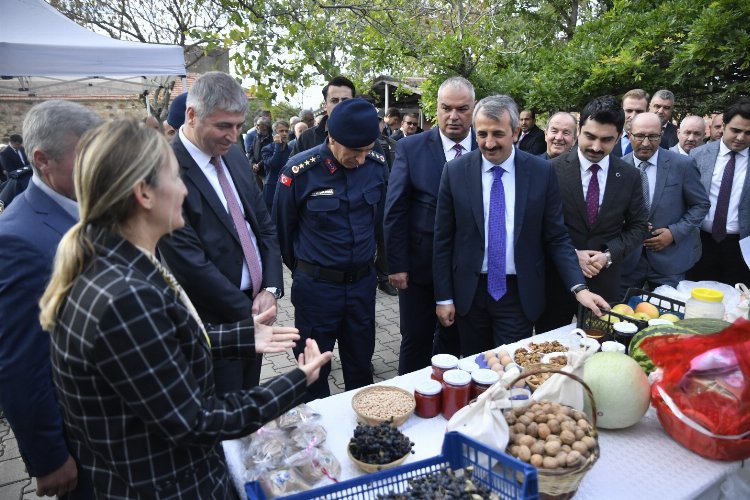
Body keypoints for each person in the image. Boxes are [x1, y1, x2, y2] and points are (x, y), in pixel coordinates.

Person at [38, 118, 331, 499]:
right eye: (176, 178)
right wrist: (296, 381)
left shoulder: (118, 262)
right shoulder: (126, 296)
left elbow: (158, 349)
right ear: (144, 193)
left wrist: (241, 336)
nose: (185, 190)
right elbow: (195, 420)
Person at [432, 95, 608, 355]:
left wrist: (579, 288)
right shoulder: (455, 172)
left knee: (510, 369)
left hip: (517, 294)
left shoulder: (541, 172)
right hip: (470, 293)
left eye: (498, 134)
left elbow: (556, 237)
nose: (489, 143)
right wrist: (444, 298)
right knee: (475, 366)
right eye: (482, 134)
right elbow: (443, 239)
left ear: (515, 132)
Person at [158, 71, 285, 395]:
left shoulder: (234, 156)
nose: (233, 136)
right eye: (223, 126)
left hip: (256, 309)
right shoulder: (165, 170)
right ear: (191, 115)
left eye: (239, 126)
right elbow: (190, 265)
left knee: (246, 400)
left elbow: (264, 227)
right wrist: (249, 313)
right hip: (211, 322)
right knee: (223, 415)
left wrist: (269, 289)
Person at [0, 100, 101, 499]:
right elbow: (20, 363)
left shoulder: (90, 206)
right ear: (43, 160)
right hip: (83, 443)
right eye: (88, 155)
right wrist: (48, 458)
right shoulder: (17, 241)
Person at [274, 98, 386, 400]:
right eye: (354, 151)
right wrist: (308, 271)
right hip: (317, 290)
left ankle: (363, 435)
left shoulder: (376, 166)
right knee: (313, 372)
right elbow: (283, 233)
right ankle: (317, 440)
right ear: (332, 138)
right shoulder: (299, 172)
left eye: (366, 150)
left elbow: (379, 223)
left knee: (361, 366)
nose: (361, 159)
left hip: (361, 287)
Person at [384, 76, 477, 372]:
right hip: (419, 271)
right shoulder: (411, 148)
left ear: (473, 109)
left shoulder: (486, 148)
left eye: (462, 109)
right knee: (416, 340)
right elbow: (395, 209)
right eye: (446, 108)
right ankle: (405, 403)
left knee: (458, 343)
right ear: (434, 109)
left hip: (468, 269)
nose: (453, 116)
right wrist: (396, 264)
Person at [535, 95, 648, 333]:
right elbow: (536, 225)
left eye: (606, 140)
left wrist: (608, 255)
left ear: (619, 137)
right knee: (550, 354)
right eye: (590, 136)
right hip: (556, 281)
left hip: (604, 283)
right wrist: (572, 254)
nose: (596, 147)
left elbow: (638, 227)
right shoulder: (549, 171)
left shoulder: (629, 176)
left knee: (597, 349)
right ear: (579, 130)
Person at [620, 113, 710, 292]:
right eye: (639, 136)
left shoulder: (682, 164)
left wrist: (674, 233)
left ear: (661, 134)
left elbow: (700, 205)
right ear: (629, 135)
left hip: (670, 262)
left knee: (669, 317)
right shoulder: (618, 167)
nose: (646, 143)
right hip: (628, 261)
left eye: (653, 136)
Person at [688, 99, 750, 285]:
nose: (740, 137)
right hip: (700, 243)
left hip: (741, 247)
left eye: (748, 133)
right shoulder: (698, 155)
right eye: (736, 130)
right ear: (723, 126)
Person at [291, 76, 355, 156]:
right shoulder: (306, 138)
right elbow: (293, 166)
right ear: (325, 106)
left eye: (345, 100)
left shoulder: (367, 135)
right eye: (334, 101)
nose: (340, 105)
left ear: (354, 104)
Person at [260, 119, 291, 212]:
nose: (284, 133)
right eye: (281, 131)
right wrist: (278, 145)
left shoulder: (291, 149)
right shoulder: (266, 149)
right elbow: (274, 164)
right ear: (274, 134)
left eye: (286, 131)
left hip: (288, 189)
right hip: (272, 189)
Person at [612, 89, 650, 157]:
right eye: (629, 111)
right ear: (621, 110)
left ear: (647, 111)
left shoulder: (660, 141)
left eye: (639, 111)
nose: (633, 116)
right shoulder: (608, 137)